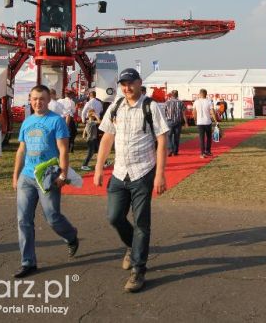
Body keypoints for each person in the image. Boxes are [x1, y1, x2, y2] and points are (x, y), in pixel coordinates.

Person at [93, 68, 169, 293]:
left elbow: (162, 140)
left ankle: (138, 270)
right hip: (119, 172)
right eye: (123, 84)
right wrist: (98, 168)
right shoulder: (116, 106)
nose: (127, 88)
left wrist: (160, 174)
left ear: (139, 82)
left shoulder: (151, 107)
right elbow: (107, 137)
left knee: (142, 224)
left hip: (142, 173)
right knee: (114, 217)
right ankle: (131, 246)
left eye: (131, 83)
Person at [13, 85, 80, 278]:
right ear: (30, 99)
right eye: (34, 98)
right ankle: (28, 262)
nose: (38, 102)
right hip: (27, 176)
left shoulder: (56, 121)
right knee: (23, 220)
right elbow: (21, 150)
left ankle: (71, 236)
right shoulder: (27, 122)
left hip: (48, 177)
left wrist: (63, 175)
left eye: (41, 99)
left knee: (52, 217)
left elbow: (63, 150)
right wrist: (15, 175)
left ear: (48, 100)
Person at [192, 89, 218, 158]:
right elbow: (212, 112)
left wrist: (195, 119)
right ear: (206, 94)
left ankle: (202, 153)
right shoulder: (209, 101)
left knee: (201, 138)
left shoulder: (196, 102)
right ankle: (208, 151)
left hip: (200, 122)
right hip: (207, 122)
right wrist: (216, 121)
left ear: (200, 94)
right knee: (209, 137)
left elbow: (194, 112)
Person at [164, 90, 188, 156]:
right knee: (177, 137)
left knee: (169, 136)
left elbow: (164, 113)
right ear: (177, 95)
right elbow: (184, 113)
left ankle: (170, 150)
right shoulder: (181, 102)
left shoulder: (167, 102)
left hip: (169, 121)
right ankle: (175, 151)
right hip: (178, 122)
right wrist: (186, 122)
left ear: (171, 95)